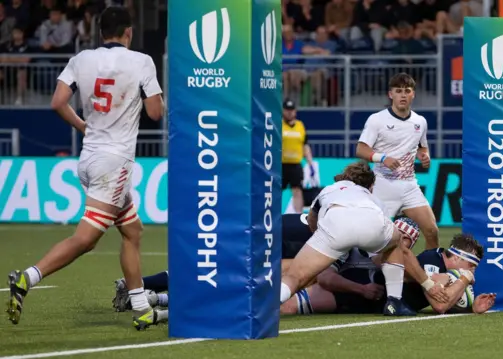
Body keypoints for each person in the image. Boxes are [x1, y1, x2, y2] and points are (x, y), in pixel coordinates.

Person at [5, 6, 165, 331]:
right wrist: (157, 98)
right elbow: (155, 113)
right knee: (86, 239)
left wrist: (83, 126)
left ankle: (140, 307)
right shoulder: (141, 62)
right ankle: (27, 278)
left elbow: (57, 101)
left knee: (132, 231)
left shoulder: (81, 59)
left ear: (99, 32)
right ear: (129, 32)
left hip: (88, 159)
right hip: (114, 163)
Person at [112, 215, 425, 314]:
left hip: (294, 235)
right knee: (231, 270)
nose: (401, 255)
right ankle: (144, 289)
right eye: (403, 247)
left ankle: (153, 295)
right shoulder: (367, 239)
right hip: (289, 236)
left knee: (231, 271)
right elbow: (323, 275)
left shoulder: (373, 238)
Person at [280, 160, 447, 316]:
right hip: (367, 227)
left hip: (332, 227)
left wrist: (321, 239)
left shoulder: (329, 189)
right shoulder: (373, 200)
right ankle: (394, 302)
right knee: (395, 245)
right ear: (371, 186)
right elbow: (326, 278)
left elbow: (312, 220)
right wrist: (428, 284)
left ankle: (267, 306)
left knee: (295, 277)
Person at [281, 233, 496, 316]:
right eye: (471, 264)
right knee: (288, 306)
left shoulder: (446, 270)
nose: (472, 270)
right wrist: (464, 280)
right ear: (457, 257)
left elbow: (447, 302)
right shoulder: (433, 260)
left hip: (372, 303)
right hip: (360, 288)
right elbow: (440, 305)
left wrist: (472, 307)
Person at [356, 72, 439, 250]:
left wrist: (425, 156)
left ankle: (430, 272)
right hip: (382, 185)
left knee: (432, 231)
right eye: (398, 91)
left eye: (407, 91)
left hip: (409, 185)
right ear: (390, 94)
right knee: (372, 237)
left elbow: (422, 147)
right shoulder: (377, 120)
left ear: (413, 94)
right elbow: (360, 149)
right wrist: (382, 158)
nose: (403, 95)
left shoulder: (420, 121)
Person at [282, 99, 315, 213]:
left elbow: (305, 146)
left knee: (297, 190)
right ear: (283, 111)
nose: (289, 113)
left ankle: (298, 216)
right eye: (287, 110)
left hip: (295, 165)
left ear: (295, 111)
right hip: (281, 164)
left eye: (291, 110)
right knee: (275, 191)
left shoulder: (300, 126)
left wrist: (310, 163)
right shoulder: (279, 125)